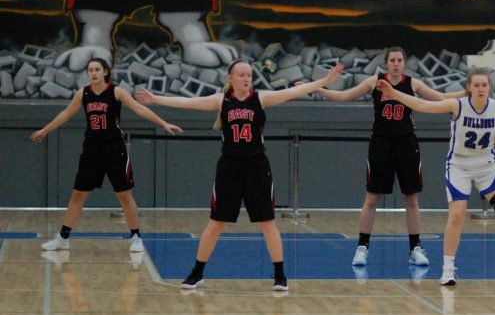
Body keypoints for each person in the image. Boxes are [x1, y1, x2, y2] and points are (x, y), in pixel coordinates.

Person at [137, 60, 345, 291]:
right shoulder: (221, 100)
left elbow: (294, 91)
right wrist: (155, 99)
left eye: (249, 75)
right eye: (242, 75)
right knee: (216, 223)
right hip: (229, 167)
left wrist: (326, 81)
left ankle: (279, 275)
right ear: (231, 78)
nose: (247, 78)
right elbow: (188, 102)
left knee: (267, 223)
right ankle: (197, 273)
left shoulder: (261, 98)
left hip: (257, 167)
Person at [375, 67, 495, 286]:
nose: (480, 89)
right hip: (460, 164)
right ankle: (448, 269)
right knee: (457, 214)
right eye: (476, 85)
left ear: (489, 87)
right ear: (468, 87)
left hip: (487, 164)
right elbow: (423, 105)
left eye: (484, 85)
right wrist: (393, 92)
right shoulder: (457, 105)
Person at [317, 47, 461, 269]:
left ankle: (415, 248)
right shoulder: (375, 82)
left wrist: (469, 92)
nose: (396, 63)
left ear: (404, 63)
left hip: (406, 144)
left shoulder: (413, 84)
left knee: (411, 199)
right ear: (386, 63)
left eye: (399, 60)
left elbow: (441, 98)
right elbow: (345, 95)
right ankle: (362, 247)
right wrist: (320, 88)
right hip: (381, 144)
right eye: (392, 60)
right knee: (371, 199)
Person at [31, 57, 183, 252]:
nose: (93, 73)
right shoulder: (82, 94)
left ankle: (135, 236)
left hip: (114, 148)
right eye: (90, 70)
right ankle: (63, 237)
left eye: (96, 69)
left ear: (105, 72)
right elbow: (65, 114)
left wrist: (164, 123)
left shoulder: (116, 92)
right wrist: (45, 130)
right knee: (78, 194)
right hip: (91, 150)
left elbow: (139, 108)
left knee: (124, 195)